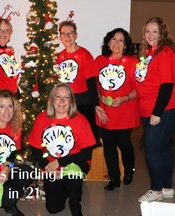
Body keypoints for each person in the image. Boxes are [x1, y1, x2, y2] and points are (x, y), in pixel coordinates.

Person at [28, 83, 96, 216]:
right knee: (54, 208)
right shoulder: (42, 118)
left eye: (66, 97)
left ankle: (74, 200)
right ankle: (68, 189)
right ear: (52, 99)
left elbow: (87, 154)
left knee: (71, 177)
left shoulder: (80, 120)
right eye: (58, 97)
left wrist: (60, 162)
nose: (62, 101)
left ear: (71, 101)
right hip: (51, 166)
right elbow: (35, 149)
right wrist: (48, 167)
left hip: (76, 162)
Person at [95, 28, 139, 190]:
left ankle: (129, 171)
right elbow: (93, 84)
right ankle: (114, 177)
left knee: (124, 143)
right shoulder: (99, 61)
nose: (117, 43)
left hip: (125, 110)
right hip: (105, 111)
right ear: (108, 42)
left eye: (121, 40)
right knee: (108, 145)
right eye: (114, 39)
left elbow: (139, 88)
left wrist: (125, 98)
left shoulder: (134, 63)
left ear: (126, 45)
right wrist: (100, 98)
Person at [136, 17, 175, 202]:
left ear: (162, 33)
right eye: (147, 31)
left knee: (152, 148)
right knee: (163, 148)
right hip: (148, 109)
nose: (150, 35)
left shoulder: (165, 52)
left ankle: (156, 189)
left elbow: (167, 85)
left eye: (155, 31)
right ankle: (167, 187)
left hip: (161, 110)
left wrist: (157, 113)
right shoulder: (150, 53)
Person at [56, 21, 106, 146]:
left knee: (88, 139)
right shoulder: (60, 57)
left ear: (76, 35)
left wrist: (96, 105)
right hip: (66, 103)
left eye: (70, 33)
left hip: (84, 102)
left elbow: (91, 82)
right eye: (64, 34)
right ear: (60, 37)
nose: (67, 37)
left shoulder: (85, 55)